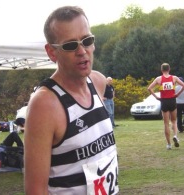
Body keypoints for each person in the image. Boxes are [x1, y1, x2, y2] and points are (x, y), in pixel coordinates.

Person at [24, 6, 119, 195]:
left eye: (87, 40)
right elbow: (35, 190)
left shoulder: (97, 82)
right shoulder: (45, 105)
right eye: (70, 45)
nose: (82, 51)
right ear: (52, 52)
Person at [148, 63, 184, 150]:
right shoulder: (174, 78)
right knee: (174, 121)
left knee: (166, 124)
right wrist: (177, 94)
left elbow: (149, 88)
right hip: (172, 100)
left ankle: (169, 144)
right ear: (169, 69)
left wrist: (156, 97)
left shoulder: (159, 79)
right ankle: (175, 135)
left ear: (161, 70)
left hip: (164, 101)